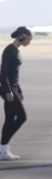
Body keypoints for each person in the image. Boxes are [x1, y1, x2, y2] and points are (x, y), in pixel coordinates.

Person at [0, 26, 32, 160]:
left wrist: (19, 90)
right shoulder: (9, 51)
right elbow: (3, 73)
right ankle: (3, 146)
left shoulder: (15, 51)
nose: (29, 42)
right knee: (22, 117)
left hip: (13, 88)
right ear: (21, 37)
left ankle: (3, 149)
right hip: (8, 89)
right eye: (29, 39)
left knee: (9, 119)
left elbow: (14, 75)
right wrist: (8, 91)